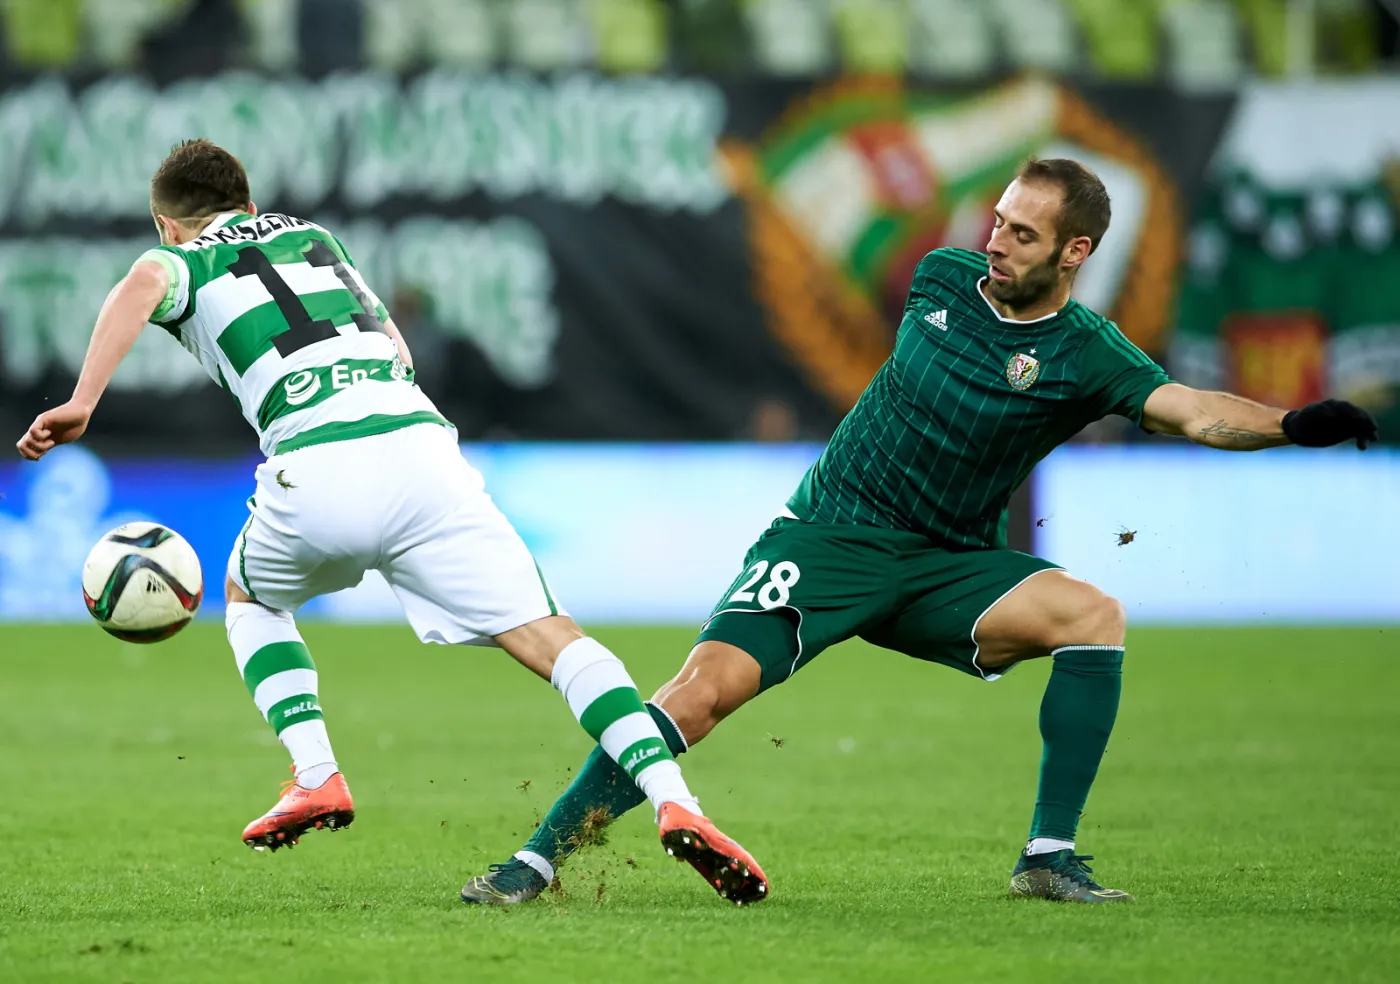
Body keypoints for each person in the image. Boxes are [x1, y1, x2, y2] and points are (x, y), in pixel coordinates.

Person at [461, 158, 1378, 905]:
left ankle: (1048, 858)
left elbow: (1189, 409)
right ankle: (534, 860)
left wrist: (1291, 425)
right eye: (998, 221)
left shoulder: (1088, 352)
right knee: (701, 695)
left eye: (1023, 233)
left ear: (1076, 252)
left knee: (1094, 616)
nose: (996, 241)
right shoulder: (941, 278)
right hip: (830, 536)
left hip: (947, 564)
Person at [14, 139, 768, 906]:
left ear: (166, 223)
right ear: (249, 202)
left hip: (315, 461)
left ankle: (316, 773)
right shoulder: (316, 239)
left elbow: (145, 280)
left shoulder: (181, 258)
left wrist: (82, 401)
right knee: (554, 638)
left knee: (250, 598)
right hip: (421, 453)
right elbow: (396, 348)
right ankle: (676, 799)